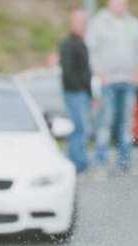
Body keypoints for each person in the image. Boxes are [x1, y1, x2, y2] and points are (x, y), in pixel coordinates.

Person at [87, 0, 138, 175]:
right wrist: (99, 72)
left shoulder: (134, 24)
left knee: (126, 123)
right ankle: (100, 163)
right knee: (105, 122)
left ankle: (124, 163)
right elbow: (92, 51)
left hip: (128, 81)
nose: (120, 4)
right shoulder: (98, 23)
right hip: (108, 82)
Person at [58, 9, 94, 174]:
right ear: (73, 23)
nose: (83, 26)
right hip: (74, 93)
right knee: (77, 128)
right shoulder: (67, 44)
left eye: (84, 22)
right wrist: (80, 88)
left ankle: (80, 161)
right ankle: (77, 163)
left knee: (80, 128)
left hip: (81, 92)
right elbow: (69, 71)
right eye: (80, 22)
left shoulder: (80, 42)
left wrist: (89, 92)